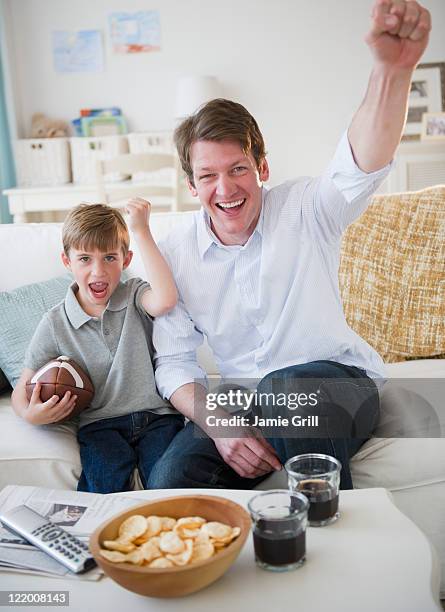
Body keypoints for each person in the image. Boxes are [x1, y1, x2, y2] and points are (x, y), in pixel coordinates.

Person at [148, 0, 432, 490]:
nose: (225, 188)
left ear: (262, 168)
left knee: (288, 390)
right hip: (247, 400)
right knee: (172, 475)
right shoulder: (173, 253)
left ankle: (325, 542)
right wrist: (220, 424)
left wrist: (393, 70)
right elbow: (174, 361)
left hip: (338, 386)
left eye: (238, 168)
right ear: (191, 186)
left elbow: (362, 159)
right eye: (208, 176)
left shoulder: (307, 208)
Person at [11, 198, 184, 493]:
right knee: (102, 485)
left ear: (126, 260)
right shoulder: (54, 322)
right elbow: (22, 388)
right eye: (85, 259)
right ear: (67, 262)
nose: (98, 271)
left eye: (109, 258)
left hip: (157, 418)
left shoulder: (133, 294)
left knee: (168, 484)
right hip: (99, 424)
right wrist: (30, 414)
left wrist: (141, 231)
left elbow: (166, 300)